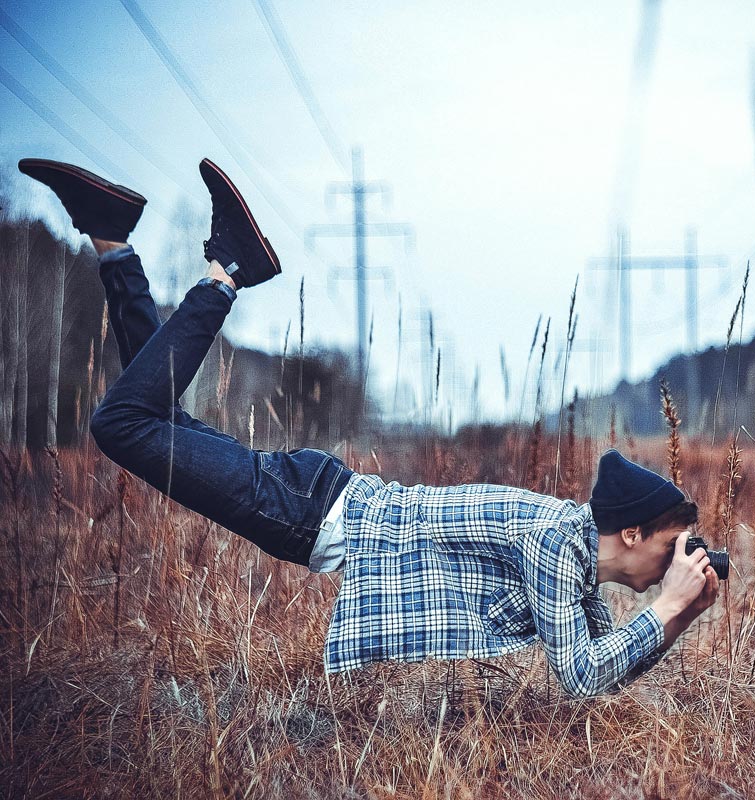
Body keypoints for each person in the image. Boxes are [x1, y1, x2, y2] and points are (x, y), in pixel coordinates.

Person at [19, 157, 718, 698]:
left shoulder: (573, 560)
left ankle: (112, 239)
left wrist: (679, 610)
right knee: (124, 424)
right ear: (631, 533)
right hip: (308, 511)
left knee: (159, 421)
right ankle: (229, 268)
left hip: (317, 500)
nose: (674, 563)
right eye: (671, 547)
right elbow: (581, 678)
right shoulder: (555, 547)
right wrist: (669, 605)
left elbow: (602, 664)